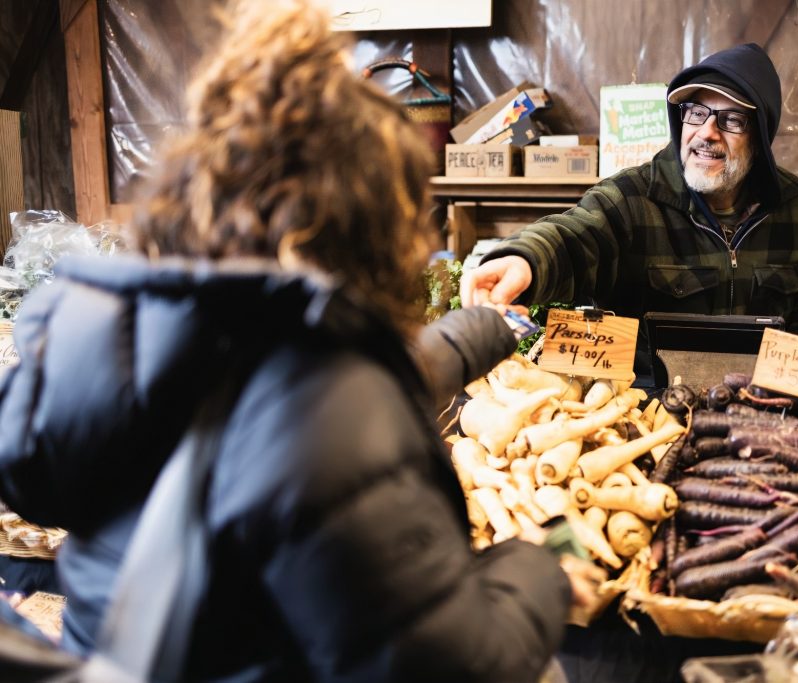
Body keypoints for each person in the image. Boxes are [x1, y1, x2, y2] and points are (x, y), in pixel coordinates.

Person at [0, 1, 598, 680]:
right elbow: (452, 664)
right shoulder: (334, 413)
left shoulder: (101, 329)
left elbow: (263, 411)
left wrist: (476, 333)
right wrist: (536, 569)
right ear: (369, 219)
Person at [460, 43, 798, 368]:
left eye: (731, 120)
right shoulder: (633, 198)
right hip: (649, 412)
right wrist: (523, 261)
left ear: (761, 137)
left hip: (761, 416)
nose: (706, 133)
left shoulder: (797, 208)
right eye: (696, 112)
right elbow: (573, 236)